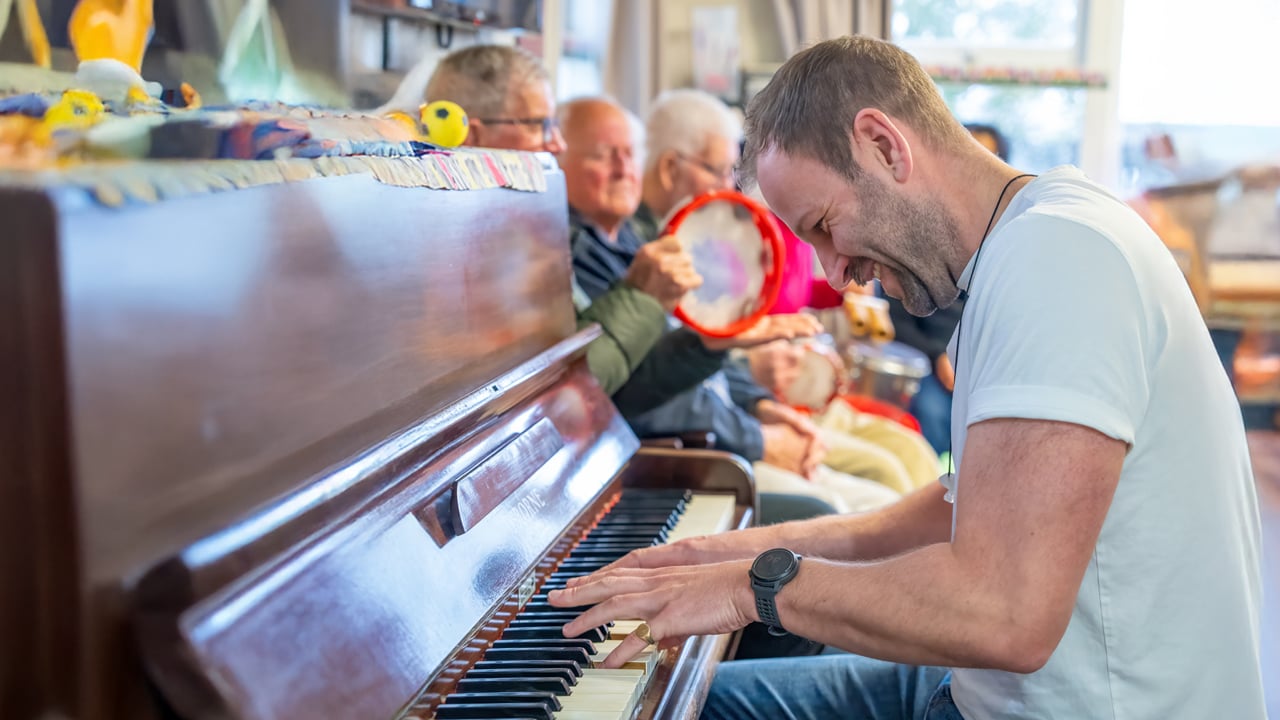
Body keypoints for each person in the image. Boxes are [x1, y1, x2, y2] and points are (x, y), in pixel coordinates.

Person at [548, 35, 1265, 719]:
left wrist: (751, 587)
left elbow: (1006, 616)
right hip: (1002, 691)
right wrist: (725, 549)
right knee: (687, 698)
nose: (834, 272)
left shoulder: (1060, 258)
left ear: (885, 146)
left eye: (825, 224)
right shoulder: (1034, 239)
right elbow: (957, 508)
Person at [421, 46, 818, 413]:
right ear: (470, 136)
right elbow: (566, 398)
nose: (555, 145)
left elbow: (616, 382)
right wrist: (643, 298)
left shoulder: (546, 244)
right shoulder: (465, 258)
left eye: (630, 154)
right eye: (540, 125)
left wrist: (709, 348)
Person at [562, 94, 907, 514]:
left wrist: (754, 399)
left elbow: (666, 364)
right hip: (682, 453)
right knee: (849, 501)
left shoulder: (640, 244)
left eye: (630, 154)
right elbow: (622, 393)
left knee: (893, 471)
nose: (624, 168)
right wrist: (756, 431)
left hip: (726, 422)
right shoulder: (589, 255)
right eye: (603, 155)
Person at [886, 122, 1009, 454]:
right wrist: (940, 353)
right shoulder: (914, 233)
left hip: (984, 365)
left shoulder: (1007, 240)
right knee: (933, 413)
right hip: (926, 359)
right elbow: (894, 316)